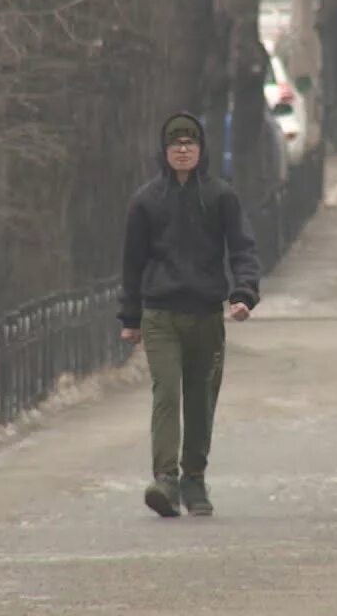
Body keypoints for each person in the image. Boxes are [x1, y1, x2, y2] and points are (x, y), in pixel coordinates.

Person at [118, 113, 261, 518]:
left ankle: (193, 478)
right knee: (166, 393)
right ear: (164, 151)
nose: (183, 149)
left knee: (200, 399)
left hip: (206, 315)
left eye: (191, 142)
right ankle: (165, 479)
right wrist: (130, 317)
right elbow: (132, 263)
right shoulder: (146, 201)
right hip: (160, 314)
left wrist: (244, 293)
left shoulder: (220, 197)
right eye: (175, 143)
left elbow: (243, 249)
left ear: (202, 149)